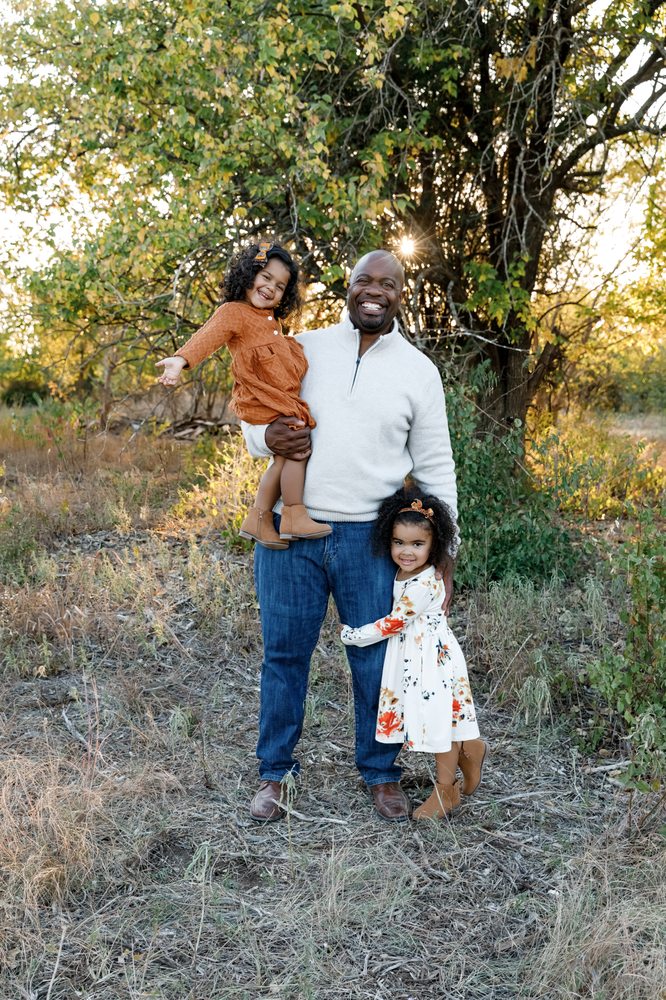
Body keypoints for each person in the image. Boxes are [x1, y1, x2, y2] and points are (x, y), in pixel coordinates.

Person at [241, 249, 460, 823]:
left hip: (372, 540)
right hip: (290, 532)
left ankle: (381, 774)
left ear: (401, 295)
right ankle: (275, 774)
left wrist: (444, 556)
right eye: (364, 280)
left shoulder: (418, 371)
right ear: (348, 286)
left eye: (388, 283)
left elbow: (435, 468)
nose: (374, 291)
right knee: (284, 656)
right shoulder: (305, 348)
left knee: (377, 661)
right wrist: (266, 439)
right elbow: (253, 411)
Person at [156, 240, 331, 548]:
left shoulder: (272, 321)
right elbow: (207, 337)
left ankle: (259, 519)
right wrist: (181, 360)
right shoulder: (234, 313)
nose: (270, 288)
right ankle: (293, 514)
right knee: (297, 449)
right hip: (260, 396)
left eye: (280, 286)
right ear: (249, 274)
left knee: (283, 458)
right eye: (266, 277)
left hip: (274, 397)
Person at [340, 487, 487, 820]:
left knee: (439, 723)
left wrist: (353, 635)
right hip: (415, 657)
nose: (407, 551)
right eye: (399, 542)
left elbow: (394, 622)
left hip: (432, 661)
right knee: (440, 720)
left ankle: (446, 790)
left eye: (417, 544)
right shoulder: (402, 571)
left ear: (434, 545)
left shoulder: (424, 583)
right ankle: (469, 748)